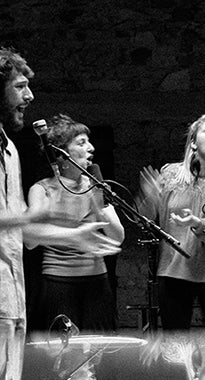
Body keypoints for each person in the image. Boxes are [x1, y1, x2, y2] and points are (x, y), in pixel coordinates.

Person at [0, 47, 121, 356]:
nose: (29, 96)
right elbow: (24, 230)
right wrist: (36, 217)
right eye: (20, 86)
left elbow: (18, 235)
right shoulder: (42, 187)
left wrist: (81, 228)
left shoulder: (10, 150)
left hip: (11, 295)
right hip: (48, 286)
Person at [137, 113, 205, 330]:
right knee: (175, 346)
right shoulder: (170, 175)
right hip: (174, 270)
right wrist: (148, 197)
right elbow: (146, 219)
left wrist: (199, 223)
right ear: (193, 142)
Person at [27, 113, 125, 332]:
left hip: (97, 282)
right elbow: (30, 241)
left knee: (97, 353)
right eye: (81, 143)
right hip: (57, 283)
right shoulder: (42, 189)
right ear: (61, 154)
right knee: (63, 354)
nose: (91, 148)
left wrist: (99, 201)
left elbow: (118, 237)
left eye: (89, 142)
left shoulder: (95, 186)